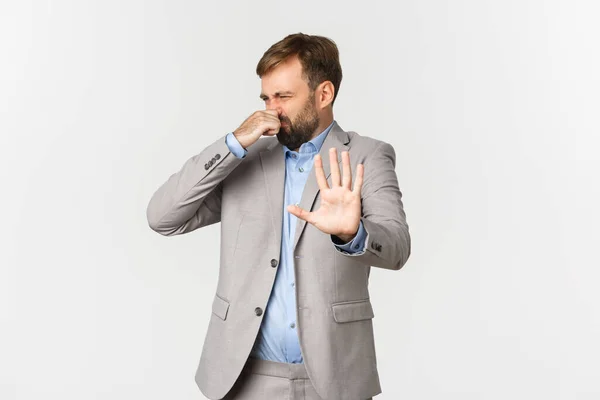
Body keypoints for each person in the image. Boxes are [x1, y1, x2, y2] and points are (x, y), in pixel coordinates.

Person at [146, 32, 411, 400]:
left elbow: (397, 247)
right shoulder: (244, 159)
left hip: (336, 376)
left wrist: (353, 234)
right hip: (244, 376)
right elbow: (162, 216)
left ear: (324, 94)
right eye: (266, 98)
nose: (271, 111)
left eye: (284, 97)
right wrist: (234, 142)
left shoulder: (367, 155)